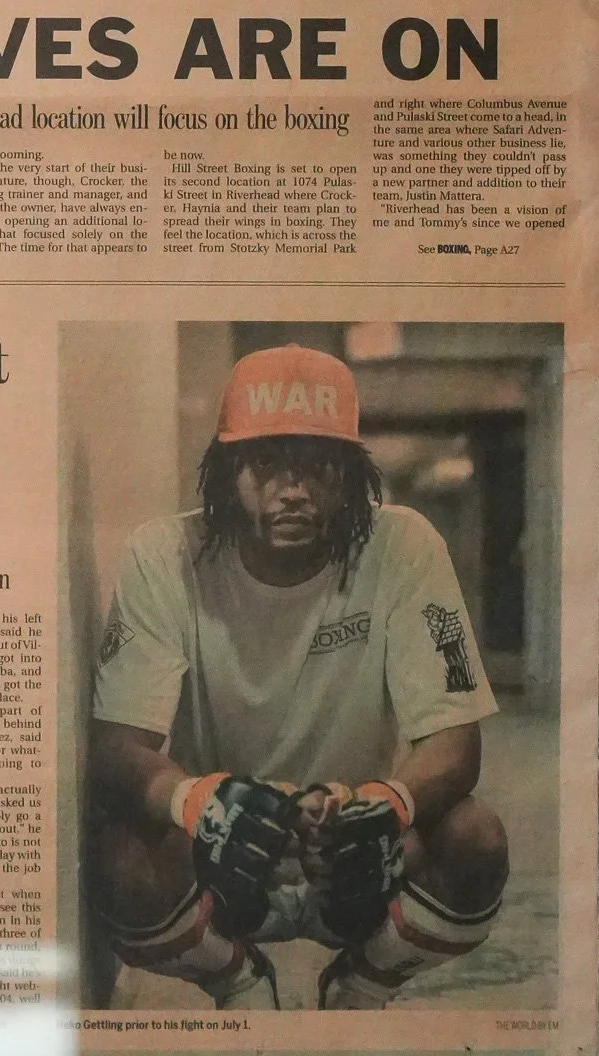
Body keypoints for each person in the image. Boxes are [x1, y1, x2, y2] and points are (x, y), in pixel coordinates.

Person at [89, 344, 507, 1013]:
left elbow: (456, 745)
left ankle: (363, 982)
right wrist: (201, 803)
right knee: (119, 858)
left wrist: (385, 804)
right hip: (221, 863)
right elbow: (114, 750)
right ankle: (236, 979)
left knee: (476, 839)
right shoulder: (162, 555)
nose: (293, 489)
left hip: (351, 860)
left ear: (351, 478)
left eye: (318, 465)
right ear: (225, 474)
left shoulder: (403, 544)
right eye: (266, 463)